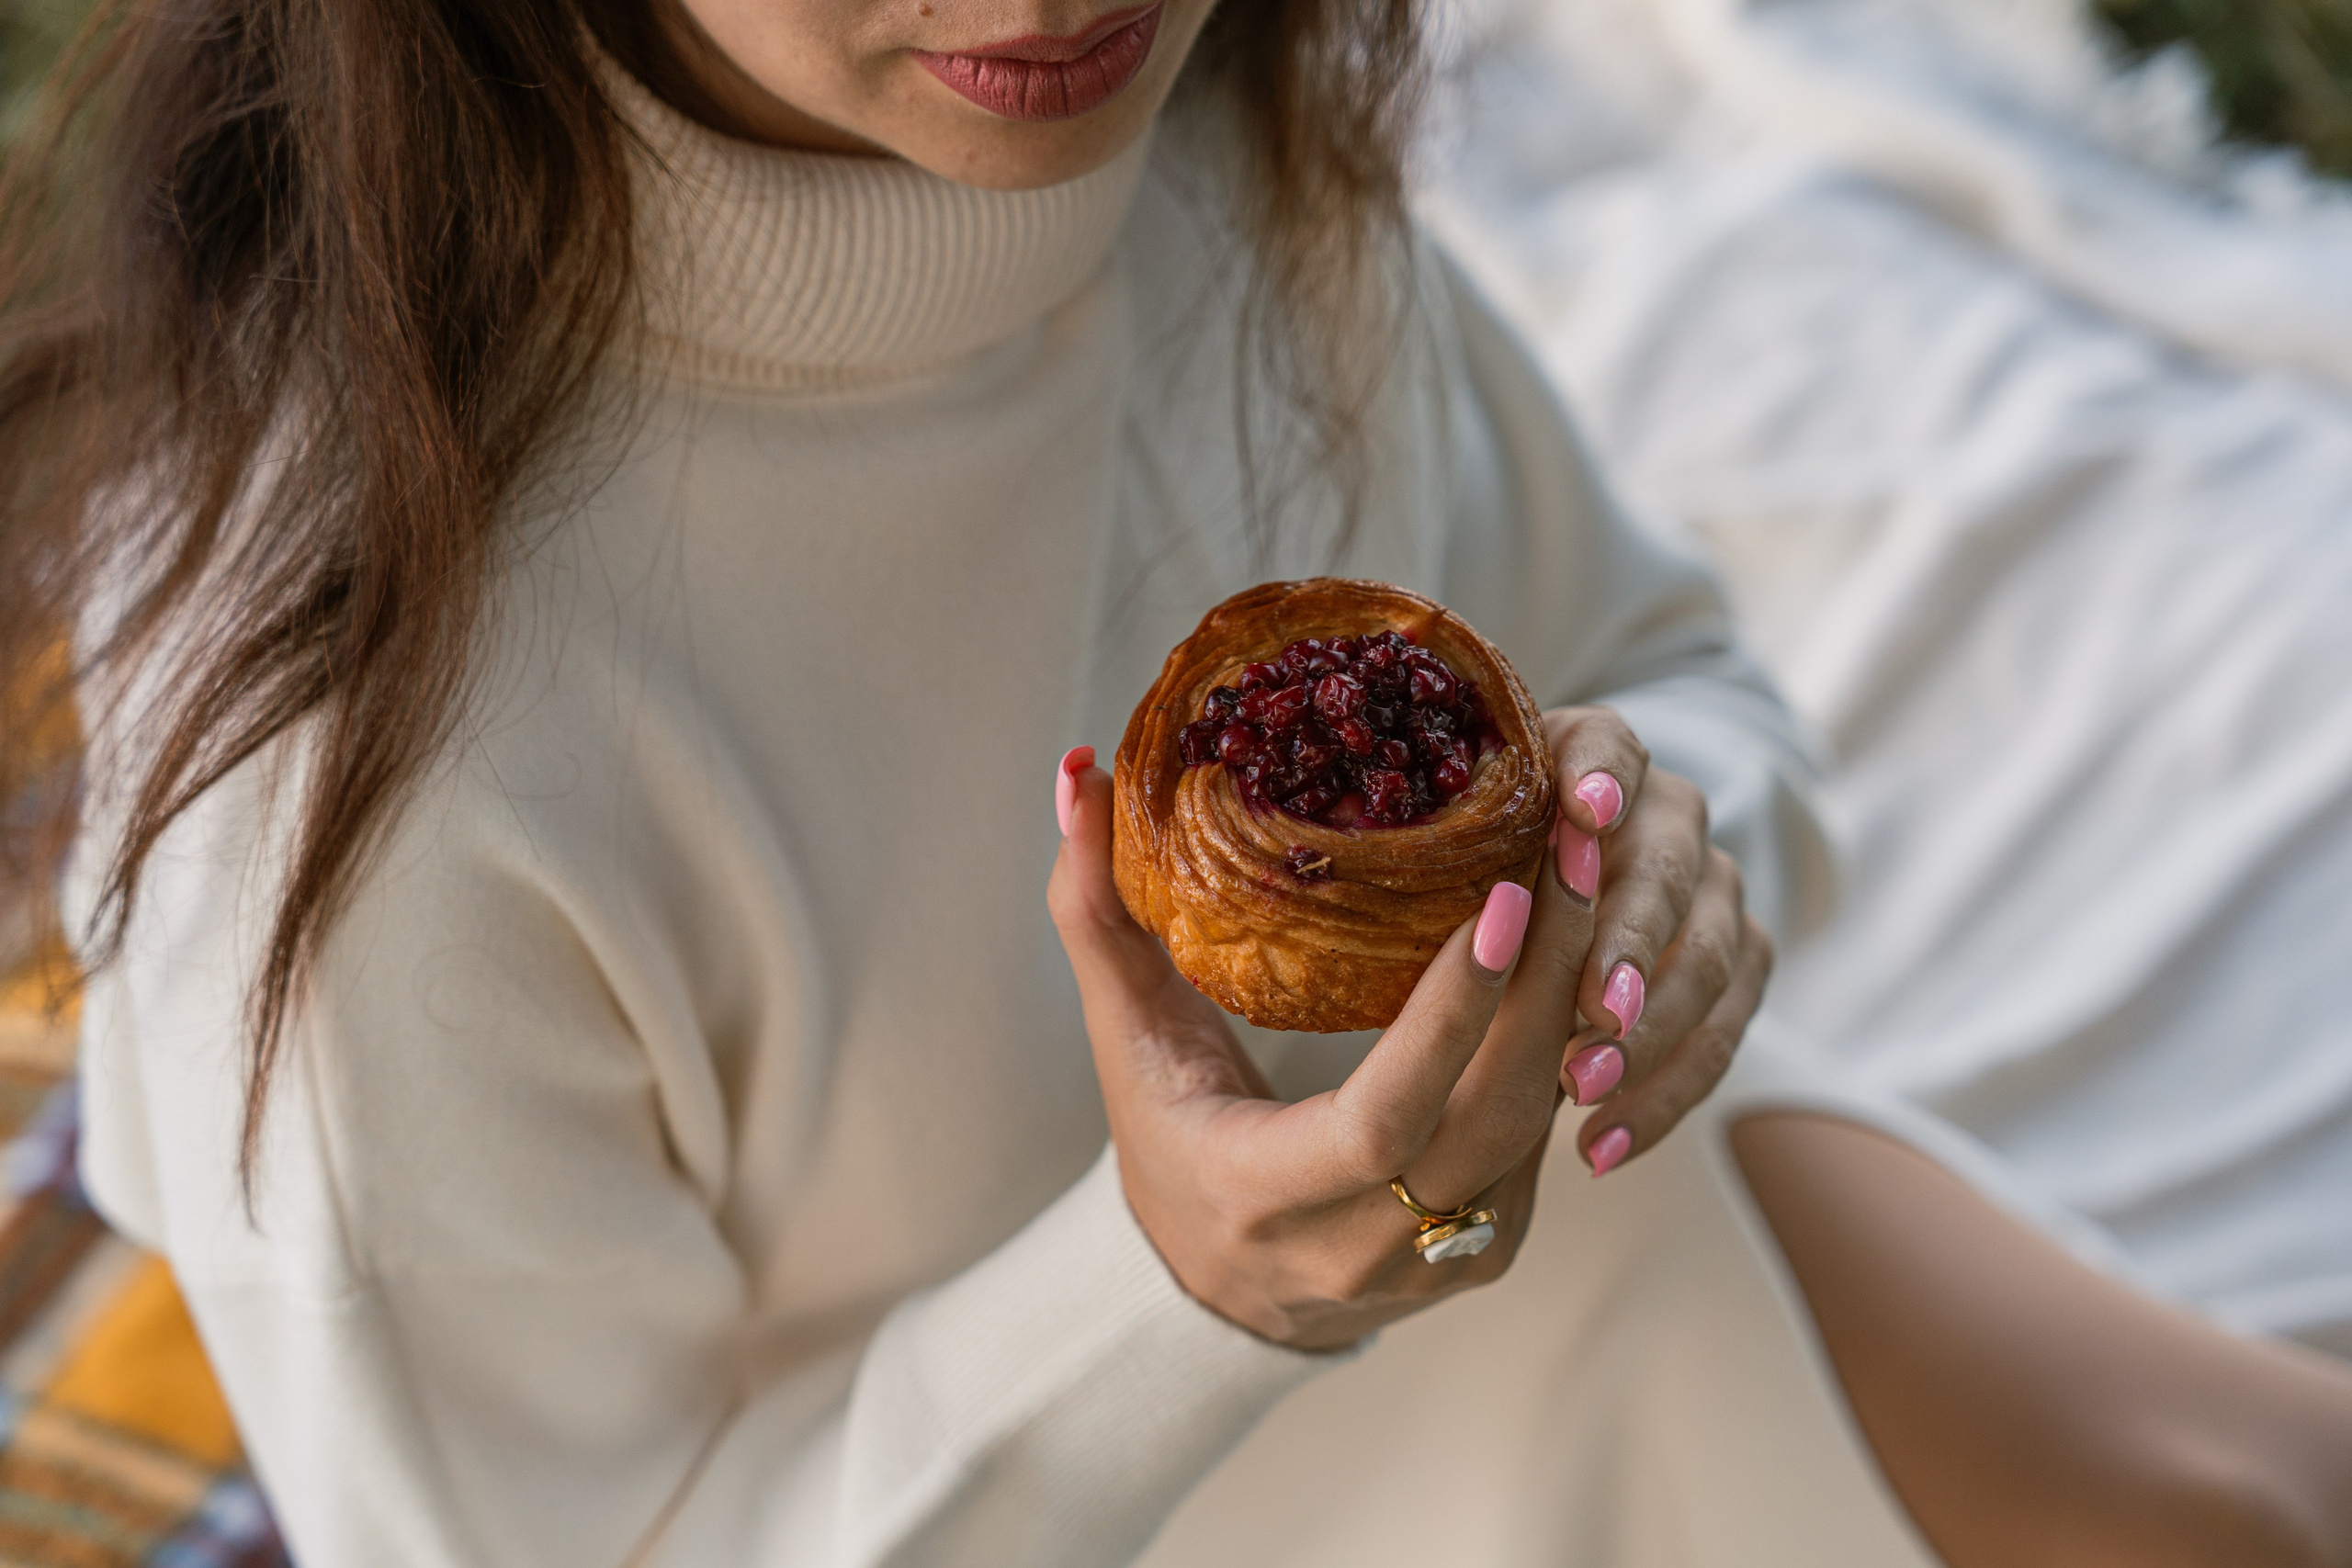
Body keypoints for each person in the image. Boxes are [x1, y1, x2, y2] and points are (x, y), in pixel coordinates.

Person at [2, 1, 2347, 1563]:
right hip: (1018, 1506)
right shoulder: (359, 782)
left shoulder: (1202, 132)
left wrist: (1667, 871)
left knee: (2260, 1497)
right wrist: (1180, 1293)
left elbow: (1652, 658)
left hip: (1538, 1243)